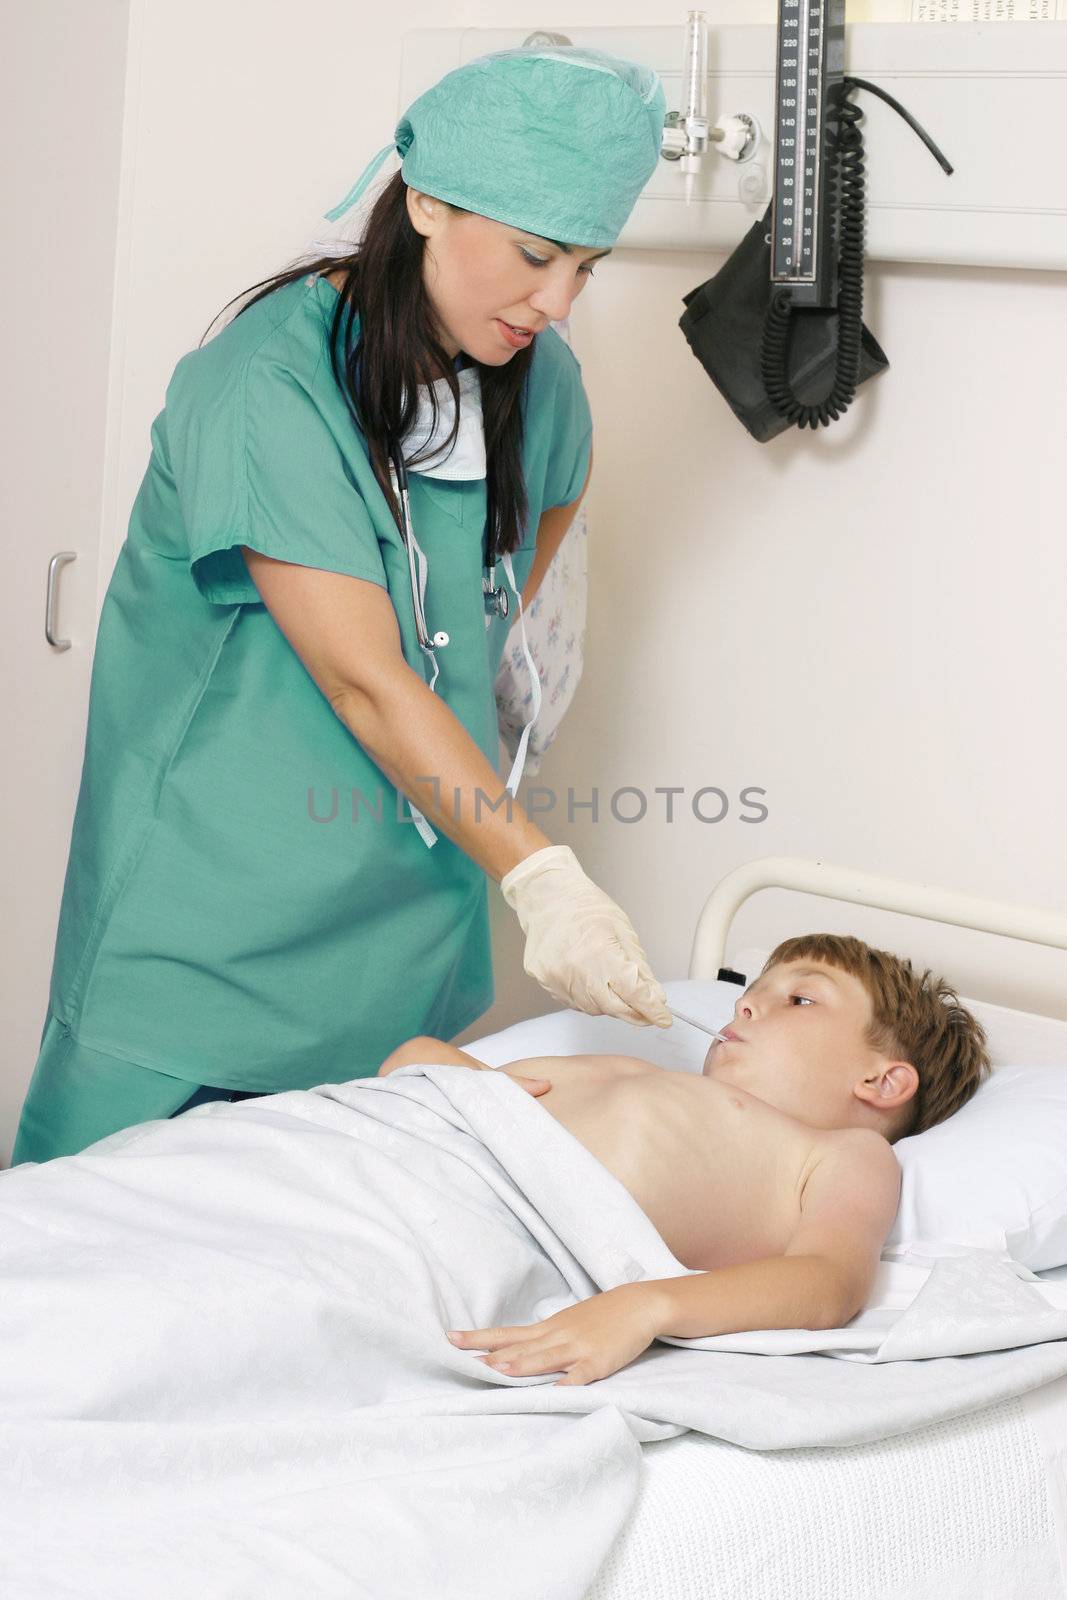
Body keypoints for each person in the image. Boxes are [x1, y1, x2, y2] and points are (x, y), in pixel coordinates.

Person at [11, 46, 675, 1167]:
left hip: (401, 920)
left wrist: (491, 854)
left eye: (588, 268)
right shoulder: (270, 383)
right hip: (208, 918)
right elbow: (368, 675)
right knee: (69, 1265)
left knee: (318, 1282)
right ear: (424, 200)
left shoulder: (545, 392)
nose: (555, 302)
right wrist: (541, 874)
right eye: (533, 254)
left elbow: (494, 623)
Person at [379, 933, 993, 1381]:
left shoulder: (839, 1153)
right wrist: (438, 1061)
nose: (746, 1005)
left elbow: (829, 1282)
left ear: (882, 1083)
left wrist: (648, 1304)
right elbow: (413, 1072)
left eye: (801, 1000)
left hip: (462, 1233)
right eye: (749, 995)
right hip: (381, 1153)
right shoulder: (630, 1070)